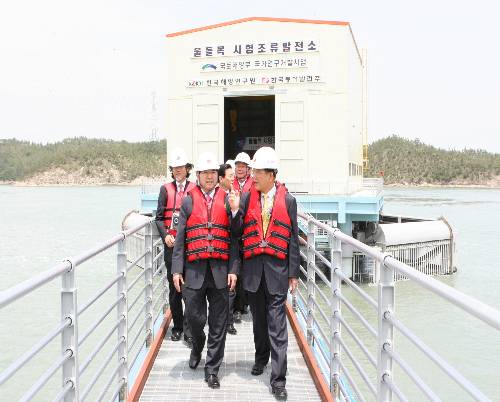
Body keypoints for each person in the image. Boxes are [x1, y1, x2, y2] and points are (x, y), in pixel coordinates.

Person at [229, 146, 299, 401]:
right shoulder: (246, 198)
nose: (253, 176)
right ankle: (261, 358)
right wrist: (235, 210)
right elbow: (236, 233)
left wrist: (294, 274)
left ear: (271, 174)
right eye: (253, 171)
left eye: (258, 172)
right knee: (258, 321)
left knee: (277, 327)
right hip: (253, 273)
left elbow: (292, 239)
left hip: (278, 272)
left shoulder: (288, 201)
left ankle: (278, 380)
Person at [172, 152, 239, 389]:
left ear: (217, 176)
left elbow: (234, 238)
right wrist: (176, 271)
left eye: (213, 173)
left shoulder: (228, 198)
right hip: (194, 271)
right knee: (194, 318)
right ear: (197, 176)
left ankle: (212, 369)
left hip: (221, 271)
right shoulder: (188, 200)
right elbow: (180, 240)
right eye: (205, 173)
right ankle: (197, 347)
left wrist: (233, 269)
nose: (209, 177)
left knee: (218, 323)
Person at [155, 147, 195, 346]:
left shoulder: (195, 189)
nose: (178, 171)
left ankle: (189, 329)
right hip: (172, 246)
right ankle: (177, 327)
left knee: (190, 290)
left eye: (181, 167)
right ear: (172, 170)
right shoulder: (165, 189)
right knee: (174, 289)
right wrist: (165, 237)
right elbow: (159, 218)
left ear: (187, 169)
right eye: (175, 168)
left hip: (190, 246)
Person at [232, 151, 253, 322]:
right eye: (237, 165)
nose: (239, 169)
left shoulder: (255, 184)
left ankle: (245, 303)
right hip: (233, 233)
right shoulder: (228, 183)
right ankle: (237, 308)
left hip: (248, 234)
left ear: (248, 169)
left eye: (242, 166)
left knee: (247, 272)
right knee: (235, 272)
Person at [217, 163, 238, 336]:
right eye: (230, 176)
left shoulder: (235, 197)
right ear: (221, 179)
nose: (233, 178)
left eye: (233, 176)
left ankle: (229, 322)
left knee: (231, 287)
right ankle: (221, 321)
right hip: (218, 248)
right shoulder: (216, 198)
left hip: (233, 246)